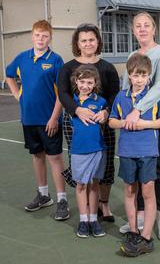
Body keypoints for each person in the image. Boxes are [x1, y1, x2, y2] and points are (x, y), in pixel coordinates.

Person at [5, 19, 69, 221]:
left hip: (49, 120)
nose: (40, 39)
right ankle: (43, 195)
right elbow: (9, 75)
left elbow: (62, 93)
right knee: (37, 156)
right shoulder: (22, 58)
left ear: (50, 38)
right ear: (32, 36)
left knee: (55, 157)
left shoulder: (56, 60)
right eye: (37, 35)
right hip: (29, 119)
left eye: (45, 36)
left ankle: (61, 200)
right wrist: (17, 95)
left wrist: (54, 118)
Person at [119, 12, 160, 241]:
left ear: (154, 29)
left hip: (157, 120)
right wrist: (122, 111)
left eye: (146, 25)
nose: (142, 29)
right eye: (138, 26)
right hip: (133, 121)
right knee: (138, 172)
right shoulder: (132, 55)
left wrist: (137, 111)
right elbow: (125, 88)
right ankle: (141, 218)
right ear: (134, 31)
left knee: (157, 169)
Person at [57, 23, 120, 222]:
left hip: (102, 122)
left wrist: (106, 112)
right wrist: (77, 110)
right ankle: (85, 207)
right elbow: (63, 94)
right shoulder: (67, 68)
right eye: (83, 40)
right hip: (76, 122)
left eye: (91, 39)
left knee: (105, 162)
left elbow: (114, 95)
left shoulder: (108, 68)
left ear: (98, 41)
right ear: (77, 43)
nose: (88, 43)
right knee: (80, 164)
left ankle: (104, 204)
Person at [109, 53, 160, 257]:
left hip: (148, 152)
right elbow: (111, 121)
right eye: (136, 75)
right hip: (127, 151)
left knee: (148, 192)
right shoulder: (121, 97)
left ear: (149, 76)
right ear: (129, 76)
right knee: (129, 191)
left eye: (143, 75)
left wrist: (144, 124)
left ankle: (146, 237)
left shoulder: (154, 96)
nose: (139, 79)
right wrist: (125, 122)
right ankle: (133, 231)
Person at [68, 65, 108, 238]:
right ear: (76, 81)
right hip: (78, 150)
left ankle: (93, 219)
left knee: (94, 184)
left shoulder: (101, 102)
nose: (85, 85)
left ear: (94, 83)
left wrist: (105, 114)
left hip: (98, 149)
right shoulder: (71, 103)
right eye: (82, 81)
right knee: (81, 185)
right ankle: (83, 220)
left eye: (89, 82)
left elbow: (106, 122)